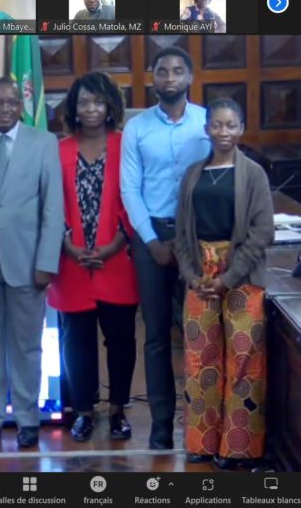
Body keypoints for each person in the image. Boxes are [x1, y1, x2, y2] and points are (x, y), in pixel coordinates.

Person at [0, 76, 64, 449]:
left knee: (27, 344)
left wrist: (47, 260)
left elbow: (53, 206)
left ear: (21, 106)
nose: (4, 108)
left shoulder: (43, 143)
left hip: (28, 260)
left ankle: (27, 417)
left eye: (11, 102)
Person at [174, 98, 273, 469]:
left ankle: (238, 447)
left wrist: (228, 278)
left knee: (244, 360)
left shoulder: (253, 174)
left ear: (241, 128)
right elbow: (181, 232)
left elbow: (262, 231)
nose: (224, 132)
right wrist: (191, 275)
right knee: (201, 359)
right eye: (217, 125)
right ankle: (202, 441)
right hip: (200, 277)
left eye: (231, 125)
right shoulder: (193, 174)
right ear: (206, 129)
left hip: (242, 277)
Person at [121, 46, 212, 450]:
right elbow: (130, 189)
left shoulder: (208, 123)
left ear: (189, 77)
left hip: (199, 237)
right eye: (162, 71)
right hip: (151, 236)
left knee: (201, 332)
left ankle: (202, 422)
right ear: (153, 78)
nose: (170, 77)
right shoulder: (137, 128)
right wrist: (152, 241)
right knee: (156, 334)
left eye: (177, 71)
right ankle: (161, 424)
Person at [47, 72, 138, 443]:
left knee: (121, 339)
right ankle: (83, 410)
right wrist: (66, 244)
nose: (91, 109)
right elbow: (49, 202)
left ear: (111, 106)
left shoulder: (125, 145)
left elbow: (135, 194)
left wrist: (116, 243)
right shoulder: (59, 149)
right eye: (83, 101)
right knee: (76, 341)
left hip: (117, 259)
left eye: (98, 101)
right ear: (73, 107)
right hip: (70, 261)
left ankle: (117, 410)